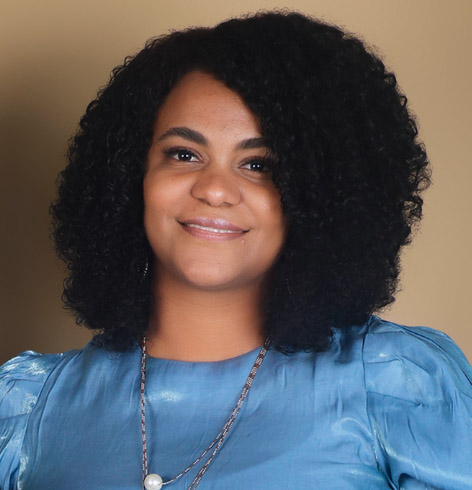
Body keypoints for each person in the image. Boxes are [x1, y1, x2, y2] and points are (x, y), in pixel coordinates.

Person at [1, 10, 471, 490]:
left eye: (258, 164)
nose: (215, 189)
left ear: (320, 194)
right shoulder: (28, 408)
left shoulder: (397, 388)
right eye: (184, 154)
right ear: (130, 177)